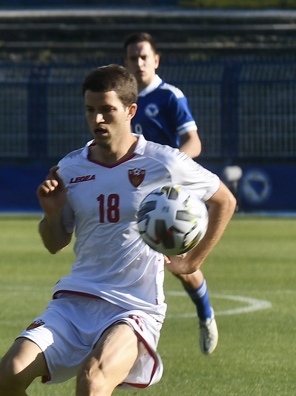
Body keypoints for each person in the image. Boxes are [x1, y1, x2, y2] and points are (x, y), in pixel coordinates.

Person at [0, 65, 236, 396]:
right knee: (8, 376)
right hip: (77, 299)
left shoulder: (164, 161)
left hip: (135, 306)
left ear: (130, 111)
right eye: (89, 110)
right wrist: (51, 215)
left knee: (94, 380)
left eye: (106, 110)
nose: (97, 119)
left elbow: (224, 200)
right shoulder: (70, 168)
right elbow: (54, 243)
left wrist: (191, 260)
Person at [123, 32, 219, 355]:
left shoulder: (169, 97)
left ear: (156, 61)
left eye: (143, 57)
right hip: (131, 191)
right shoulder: (121, 101)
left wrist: (170, 164)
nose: (138, 63)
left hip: (167, 194)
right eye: (132, 58)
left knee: (178, 263)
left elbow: (194, 142)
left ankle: (205, 314)